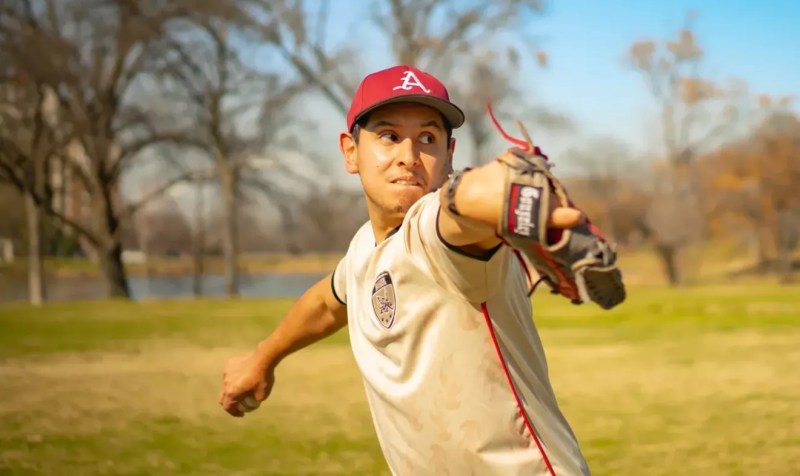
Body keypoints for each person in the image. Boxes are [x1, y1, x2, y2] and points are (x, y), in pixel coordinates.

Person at [219, 64, 593, 475]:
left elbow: (463, 204)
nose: (409, 157)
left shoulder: (436, 231)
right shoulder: (365, 247)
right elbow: (328, 302)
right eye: (389, 136)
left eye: (428, 139)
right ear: (350, 151)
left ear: (449, 155)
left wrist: (512, 195)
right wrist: (263, 357)